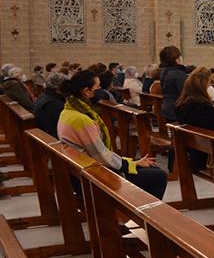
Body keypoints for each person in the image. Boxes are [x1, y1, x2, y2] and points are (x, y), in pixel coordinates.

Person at [58, 70, 167, 199]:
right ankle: (145, 215)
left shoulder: (68, 111)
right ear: (86, 91)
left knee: (152, 170)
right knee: (158, 176)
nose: (101, 90)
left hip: (84, 170)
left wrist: (133, 162)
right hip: (92, 175)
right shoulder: (82, 120)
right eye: (97, 87)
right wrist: (132, 164)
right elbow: (101, 155)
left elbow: (99, 152)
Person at [176, 67, 214, 171]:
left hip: (194, 147)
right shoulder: (201, 105)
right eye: (209, 84)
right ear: (203, 86)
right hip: (207, 152)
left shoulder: (182, 102)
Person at [33, 72, 68, 137]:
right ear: (59, 88)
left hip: (47, 133)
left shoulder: (45, 96)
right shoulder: (53, 104)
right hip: (52, 138)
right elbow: (65, 125)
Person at [159, 46, 188, 122]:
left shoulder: (164, 71)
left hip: (166, 108)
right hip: (176, 112)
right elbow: (184, 94)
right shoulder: (178, 74)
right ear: (177, 59)